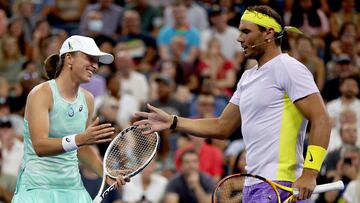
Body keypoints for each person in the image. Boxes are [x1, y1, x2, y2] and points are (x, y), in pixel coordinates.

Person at [135, 5, 331, 202]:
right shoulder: (247, 77)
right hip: (253, 184)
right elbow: (222, 126)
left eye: (246, 31)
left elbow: (321, 118)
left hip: (281, 184)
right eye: (239, 32)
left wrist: (310, 173)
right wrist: (173, 122)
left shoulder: (288, 68)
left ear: (269, 34)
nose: (239, 38)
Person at [11, 35, 129, 203]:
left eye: (97, 61)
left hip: (73, 190)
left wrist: (106, 174)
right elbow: (40, 145)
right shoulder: (41, 93)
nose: (95, 65)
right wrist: (80, 139)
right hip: (37, 189)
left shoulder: (88, 99)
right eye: (90, 58)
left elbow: (81, 148)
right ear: (69, 58)